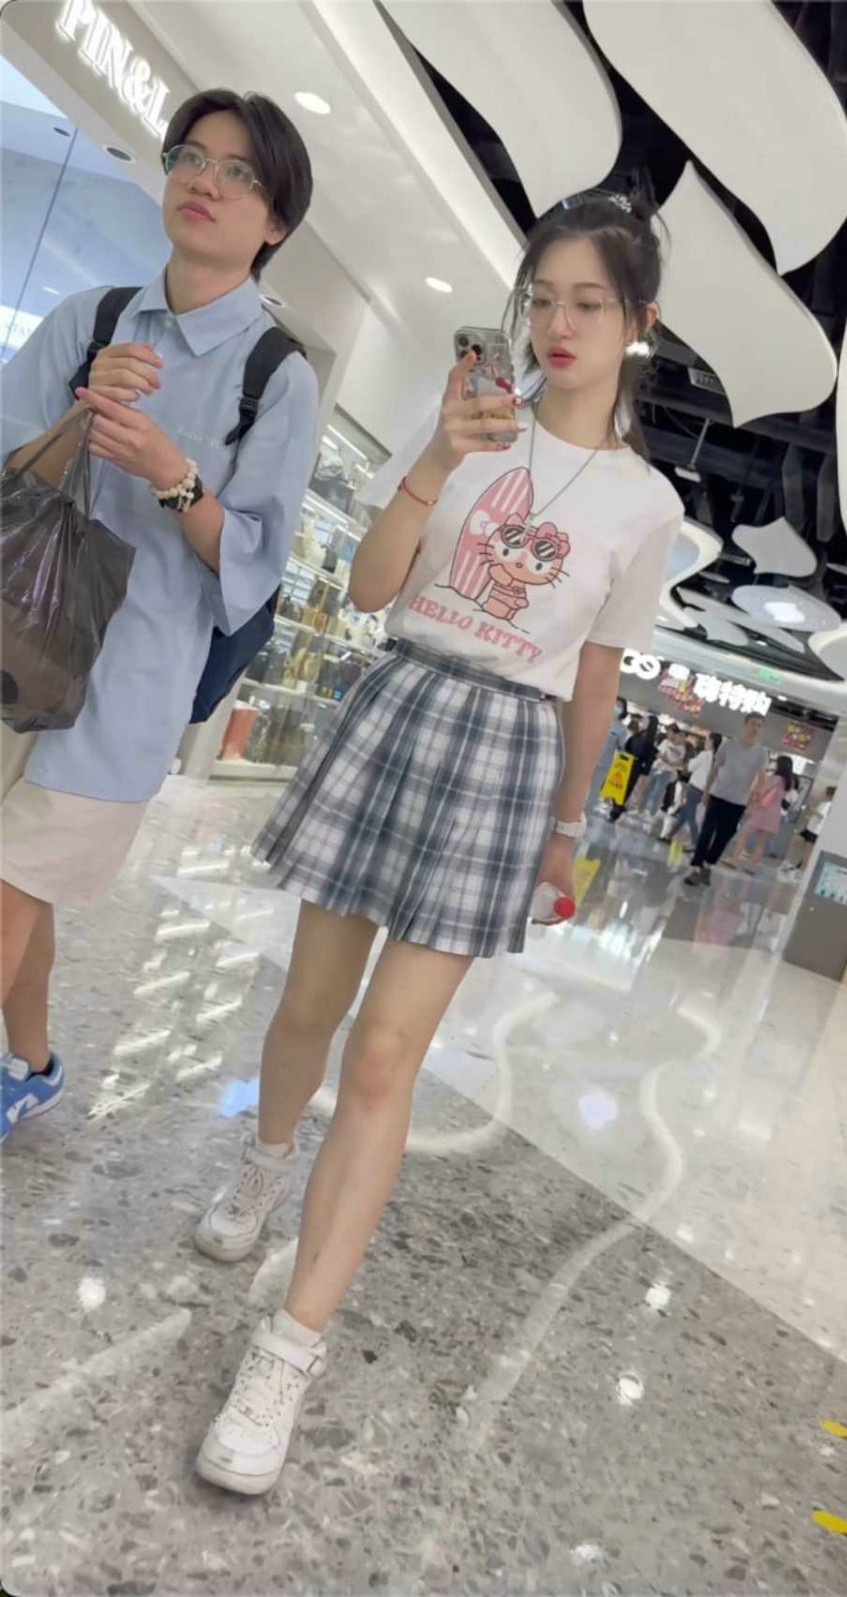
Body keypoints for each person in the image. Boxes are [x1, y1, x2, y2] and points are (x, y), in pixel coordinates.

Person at [191, 190, 684, 1496]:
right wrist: (430, 464)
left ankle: (289, 1350)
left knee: (387, 1051)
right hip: (401, 699)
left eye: (590, 302)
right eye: (543, 297)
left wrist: (568, 831)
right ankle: (264, 1165)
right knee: (309, 1006)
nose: (559, 324)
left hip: (510, 751)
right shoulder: (469, 420)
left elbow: (595, 677)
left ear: (638, 321)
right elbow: (368, 589)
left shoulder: (647, 504)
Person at [0, 90, 318, 1142]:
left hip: (121, 690)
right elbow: (6, 471)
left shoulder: (277, 377)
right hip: (11, 649)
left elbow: (252, 568)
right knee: (17, 888)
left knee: (11, 890)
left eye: (240, 173)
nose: (205, 182)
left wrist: (177, 476)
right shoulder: (88, 321)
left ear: (275, 221)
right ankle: (30, 1064)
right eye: (191, 156)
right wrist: (80, 411)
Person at [684, 713, 769, 886]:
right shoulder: (728, 745)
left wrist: (754, 801)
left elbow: (761, 778)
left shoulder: (761, 753)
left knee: (723, 836)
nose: (755, 728)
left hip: (738, 802)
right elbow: (715, 769)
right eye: (753, 724)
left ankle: (708, 865)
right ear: (746, 724)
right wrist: (706, 791)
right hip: (718, 794)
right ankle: (696, 868)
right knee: (707, 831)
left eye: (759, 725)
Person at [727, 754, 795, 873]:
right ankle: (752, 868)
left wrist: (751, 805)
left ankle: (734, 860)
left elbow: (761, 792)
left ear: (780, 765)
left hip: (762, 811)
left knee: (744, 835)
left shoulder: (774, 778)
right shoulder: (789, 782)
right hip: (775, 814)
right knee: (761, 843)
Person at [664, 731, 721, 847]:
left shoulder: (705, 755)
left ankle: (696, 843)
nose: (705, 741)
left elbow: (690, 767)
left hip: (695, 787)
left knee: (691, 816)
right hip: (703, 789)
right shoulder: (716, 758)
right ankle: (669, 836)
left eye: (707, 739)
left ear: (711, 741)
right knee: (684, 814)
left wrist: (687, 763)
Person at [609, 714, 660, 823]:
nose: (643, 722)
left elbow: (649, 756)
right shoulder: (640, 734)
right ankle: (617, 808)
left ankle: (615, 812)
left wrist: (644, 768)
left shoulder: (649, 740)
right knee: (619, 787)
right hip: (627, 763)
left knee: (625, 789)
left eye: (646, 721)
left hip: (635, 766)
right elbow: (628, 745)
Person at [778, 785, 836, 880]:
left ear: (829, 794)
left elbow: (821, 815)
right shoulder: (823, 803)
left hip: (815, 832)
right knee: (795, 841)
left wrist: (812, 811)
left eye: (823, 792)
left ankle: (800, 873)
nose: (821, 793)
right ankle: (788, 863)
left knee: (807, 853)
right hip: (810, 829)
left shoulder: (829, 805)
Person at [588, 694, 628, 812]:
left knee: (594, 791)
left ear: (623, 711)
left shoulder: (621, 729)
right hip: (588, 759)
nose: (616, 708)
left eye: (619, 706)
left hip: (603, 765)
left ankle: (585, 813)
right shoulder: (600, 719)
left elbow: (622, 748)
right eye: (615, 704)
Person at [640, 722, 687, 817]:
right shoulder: (665, 742)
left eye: (670, 732)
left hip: (667, 771)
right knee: (647, 788)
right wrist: (662, 757)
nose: (668, 734)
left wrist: (668, 760)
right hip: (656, 767)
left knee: (658, 791)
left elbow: (679, 762)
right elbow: (657, 753)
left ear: (675, 733)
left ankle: (651, 812)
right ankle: (641, 808)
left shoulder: (681, 748)